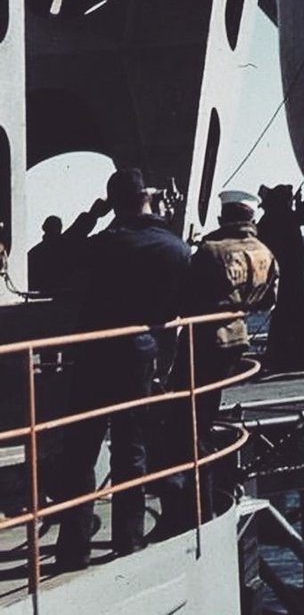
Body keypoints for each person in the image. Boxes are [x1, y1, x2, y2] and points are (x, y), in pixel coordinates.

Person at [54, 168, 190, 571]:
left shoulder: (108, 242)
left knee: (80, 451)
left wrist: (92, 216)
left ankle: (74, 549)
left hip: (96, 356)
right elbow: (176, 305)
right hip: (140, 356)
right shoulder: (174, 246)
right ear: (147, 197)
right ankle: (128, 540)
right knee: (131, 451)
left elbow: (60, 255)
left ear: (115, 202)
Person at [158, 190, 278, 532]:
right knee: (203, 416)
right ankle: (203, 504)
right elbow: (269, 298)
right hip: (237, 340)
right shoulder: (264, 251)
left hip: (205, 340)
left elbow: (184, 297)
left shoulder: (210, 251)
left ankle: (197, 508)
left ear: (224, 217)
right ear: (251, 218)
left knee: (189, 424)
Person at [258, 183, 304, 372]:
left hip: (278, 275)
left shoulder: (267, 220)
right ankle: (301, 355)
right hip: (293, 275)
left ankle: (277, 355)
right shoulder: (287, 216)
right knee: (301, 316)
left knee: (281, 316)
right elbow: (303, 219)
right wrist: (300, 202)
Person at [28, 200, 110, 295]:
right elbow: (77, 230)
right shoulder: (62, 245)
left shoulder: (34, 253)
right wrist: (93, 214)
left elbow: (77, 230)